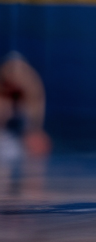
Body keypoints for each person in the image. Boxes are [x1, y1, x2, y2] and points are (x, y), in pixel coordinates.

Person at [0, 52, 50, 197]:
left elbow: (34, 125)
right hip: (7, 140)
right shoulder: (4, 97)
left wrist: (34, 132)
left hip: (18, 141)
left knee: (37, 146)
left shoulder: (32, 90)